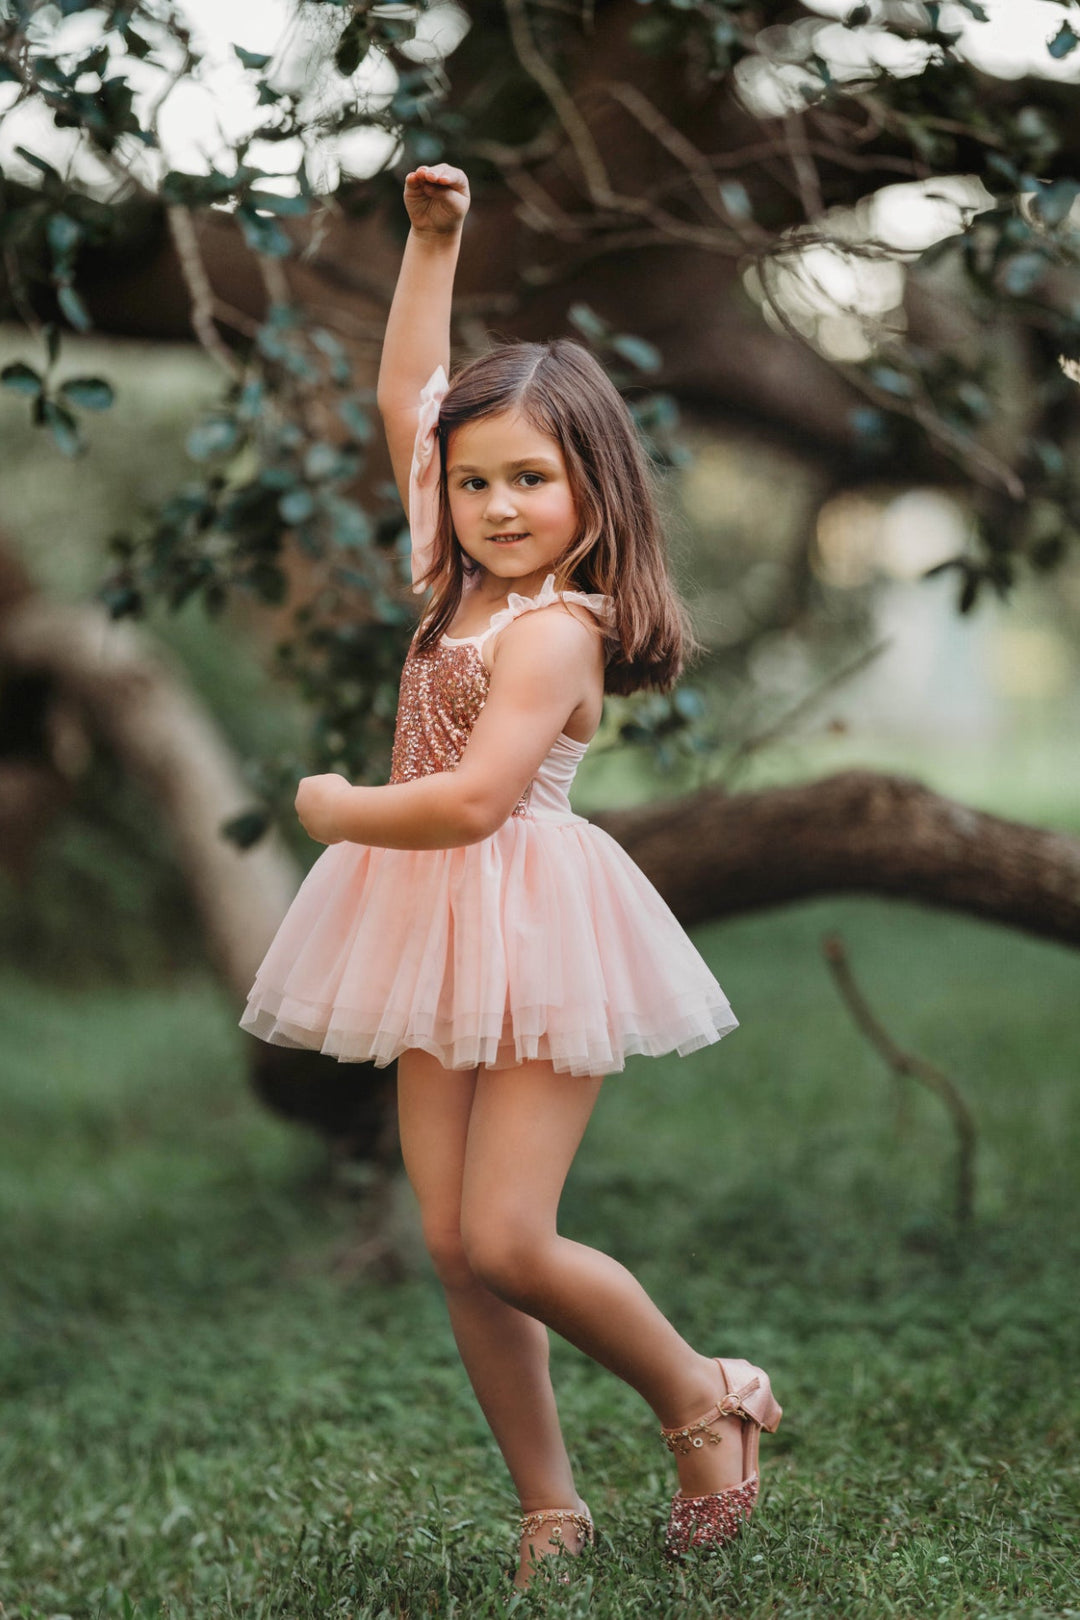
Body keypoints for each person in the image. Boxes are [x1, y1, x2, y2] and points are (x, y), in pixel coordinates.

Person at [240, 162, 781, 1589]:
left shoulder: (553, 630)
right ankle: (551, 1504)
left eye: (527, 479)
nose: (491, 502)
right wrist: (436, 245)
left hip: (529, 915)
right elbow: (411, 395)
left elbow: (476, 802)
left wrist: (338, 804)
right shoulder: (451, 578)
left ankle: (707, 1393)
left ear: (592, 488)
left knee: (510, 1234)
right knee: (450, 1241)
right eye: (475, 482)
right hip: (428, 924)